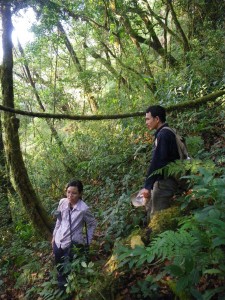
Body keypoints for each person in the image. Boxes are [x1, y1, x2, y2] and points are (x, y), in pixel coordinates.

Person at [52, 179, 97, 291]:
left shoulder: (83, 209)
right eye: (68, 192)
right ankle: (61, 289)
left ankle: (71, 290)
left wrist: (87, 241)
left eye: (74, 193)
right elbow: (59, 219)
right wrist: (54, 236)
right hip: (58, 241)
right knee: (59, 266)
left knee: (69, 268)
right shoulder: (62, 202)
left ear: (80, 194)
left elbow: (92, 224)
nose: (70, 195)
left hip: (73, 243)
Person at [142, 105, 181, 221]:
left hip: (166, 182)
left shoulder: (163, 135)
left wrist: (147, 186)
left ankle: (158, 237)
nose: (146, 122)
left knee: (158, 218)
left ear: (157, 119)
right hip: (165, 180)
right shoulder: (168, 132)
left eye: (148, 119)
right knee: (151, 210)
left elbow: (158, 162)